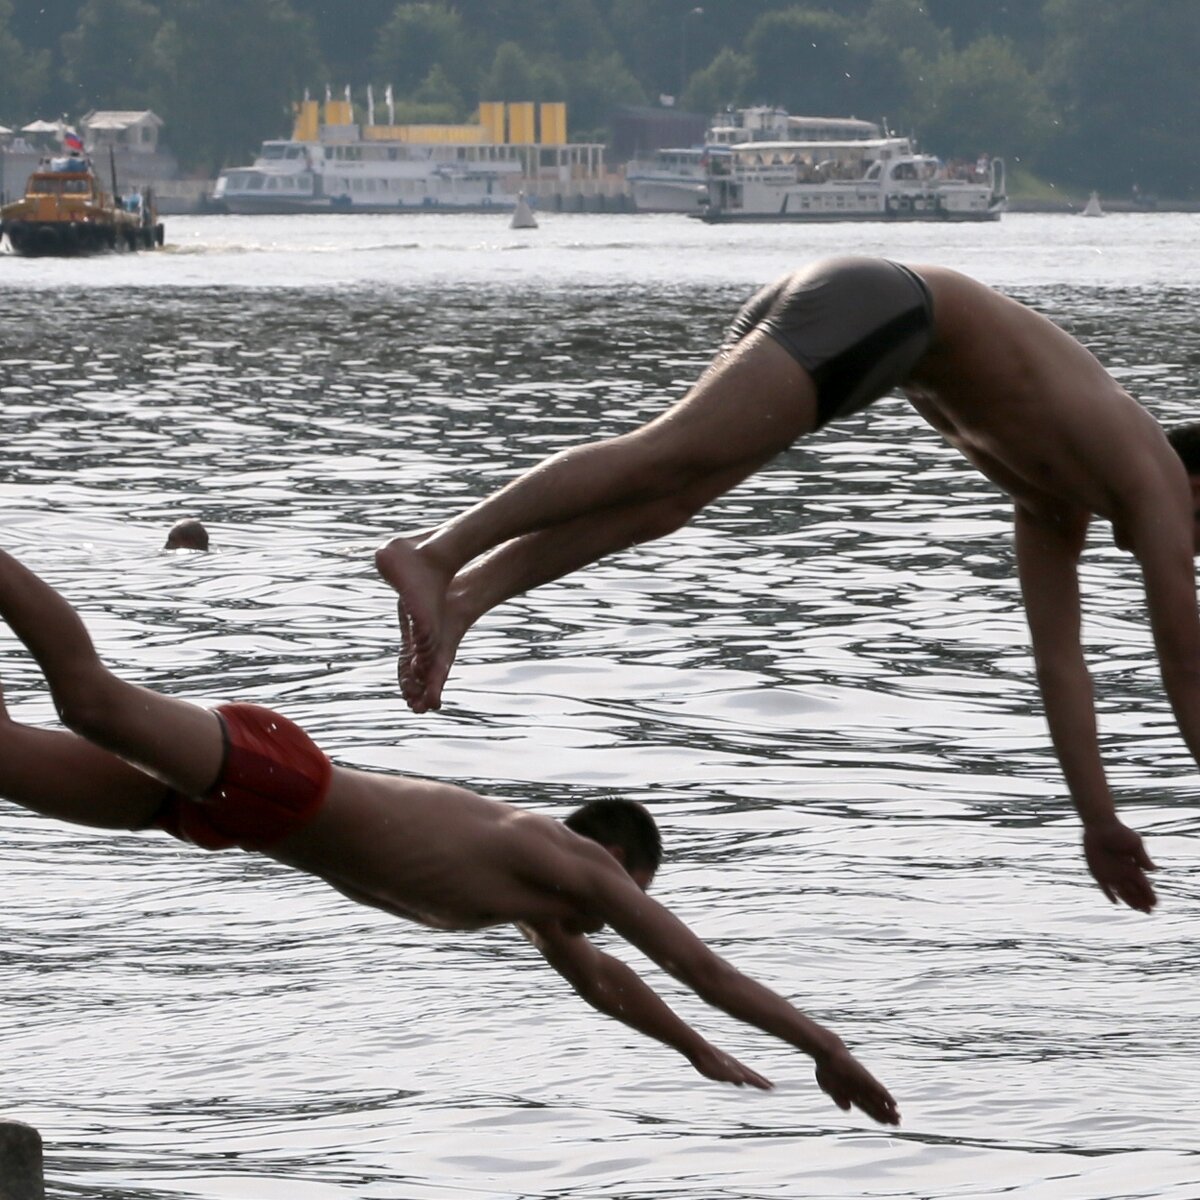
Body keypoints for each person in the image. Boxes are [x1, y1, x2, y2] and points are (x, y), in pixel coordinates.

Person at [376, 255, 1200, 916]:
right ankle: (438, 552)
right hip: (882, 307)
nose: (1182, 559)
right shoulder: (1158, 478)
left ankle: (465, 596)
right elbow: (1185, 664)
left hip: (868, 317)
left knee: (670, 498)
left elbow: (1062, 666)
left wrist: (1097, 818)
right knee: (666, 454)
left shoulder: (1055, 499)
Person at [0, 547, 897, 1124]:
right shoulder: (567, 863)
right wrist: (828, 1047)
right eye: (638, 893)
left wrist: (693, 1049)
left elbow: (609, 984)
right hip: (279, 776)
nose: (623, 916)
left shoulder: (545, 908)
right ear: (621, 862)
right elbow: (702, 968)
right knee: (87, 697)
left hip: (234, 820)